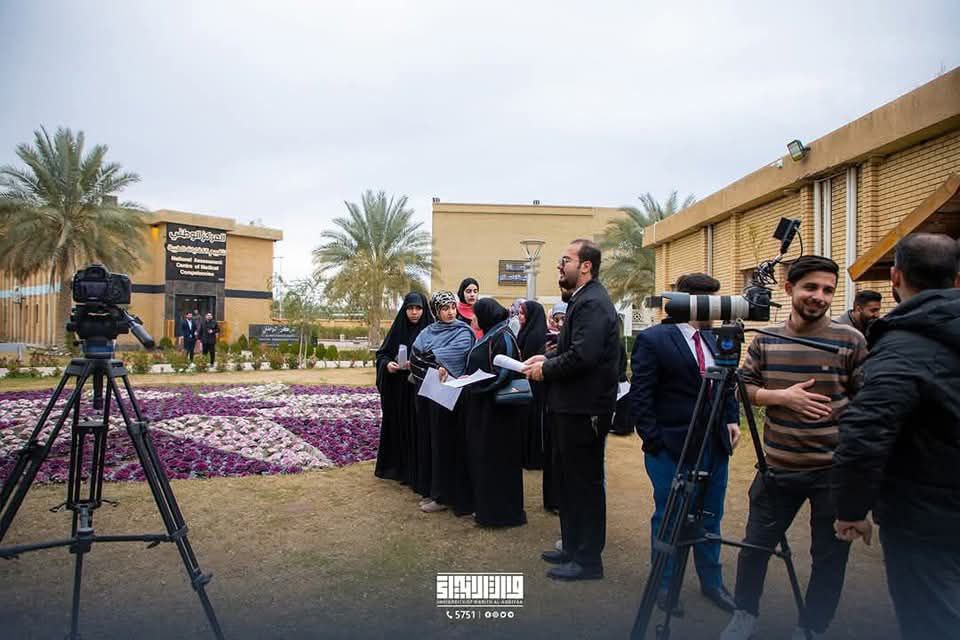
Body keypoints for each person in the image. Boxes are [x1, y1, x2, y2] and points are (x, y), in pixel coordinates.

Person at [720, 256, 868, 640]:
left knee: (829, 557)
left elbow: (868, 401)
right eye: (811, 287)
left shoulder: (851, 340)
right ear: (789, 289)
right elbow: (743, 386)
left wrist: (842, 413)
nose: (819, 296)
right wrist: (781, 397)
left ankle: (812, 627)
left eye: (828, 290)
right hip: (777, 467)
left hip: (832, 472)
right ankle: (744, 614)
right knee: (754, 548)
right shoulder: (766, 339)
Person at [832, 233, 960, 640]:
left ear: (895, 277)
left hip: (926, 520)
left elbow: (866, 432)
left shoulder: (903, 346)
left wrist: (852, 508)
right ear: (956, 279)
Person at [629, 273, 741, 615]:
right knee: (670, 517)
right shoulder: (654, 339)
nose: (716, 309)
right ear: (690, 302)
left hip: (714, 445)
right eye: (710, 301)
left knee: (710, 516)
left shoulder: (716, 338)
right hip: (671, 447)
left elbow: (728, 382)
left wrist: (731, 418)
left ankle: (713, 582)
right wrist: (655, 440)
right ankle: (664, 586)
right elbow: (641, 395)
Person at [523, 239, 620, 581]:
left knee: (584, 485)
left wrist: (545, 370)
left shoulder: (592, 302)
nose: (559, 266)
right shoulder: (582, 299)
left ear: (586, 266)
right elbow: (573, 347)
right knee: (567, 482)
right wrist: (546, 357)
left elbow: (584, 356)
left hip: (585, 409)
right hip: (570, 406)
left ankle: (588, 560)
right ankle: (572, 546)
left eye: (565, 260)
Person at [462, 298, 527, 527]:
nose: (473, 318)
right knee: (485, 459)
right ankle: (487, 510)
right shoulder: (492, 334)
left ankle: (501, 514)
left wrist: (476, 385)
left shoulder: (503, 336)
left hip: (498, 412)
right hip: (485, 409)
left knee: (498, 461)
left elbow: (504, 373)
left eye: (476, 314)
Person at [411, 291, 476, 514]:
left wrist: (431, 360)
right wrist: (432, 362)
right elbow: (415, 356)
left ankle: (444, 495)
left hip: (451, 398)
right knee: (431, 442)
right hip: (429, 394)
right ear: (435, 311)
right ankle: (432, 489)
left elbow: (448, 356)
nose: (450, 312)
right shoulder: (428, 331)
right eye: (444, 308)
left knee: (445, 444)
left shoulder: (463, 332)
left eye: (452, 307)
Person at [374, 292, 433, 484]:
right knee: (400, 428)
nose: (414, 312)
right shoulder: (398, 329)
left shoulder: (431, 330)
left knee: (419, 430)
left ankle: (419, 472)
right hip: (399, 391)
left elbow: (438, 358)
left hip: (421, 391)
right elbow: (382, 354)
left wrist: (416, 364)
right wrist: (387, 365)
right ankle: (399, 469)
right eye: (410, 308)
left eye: (418, 308)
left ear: (424, 310)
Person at [516, 300, 547, 470]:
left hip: (535, 385)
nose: (520, 317)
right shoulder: (526, 331)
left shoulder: (535, 335)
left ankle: (533, 458)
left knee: (534, 421)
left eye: (523, 314)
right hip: (528, 382)